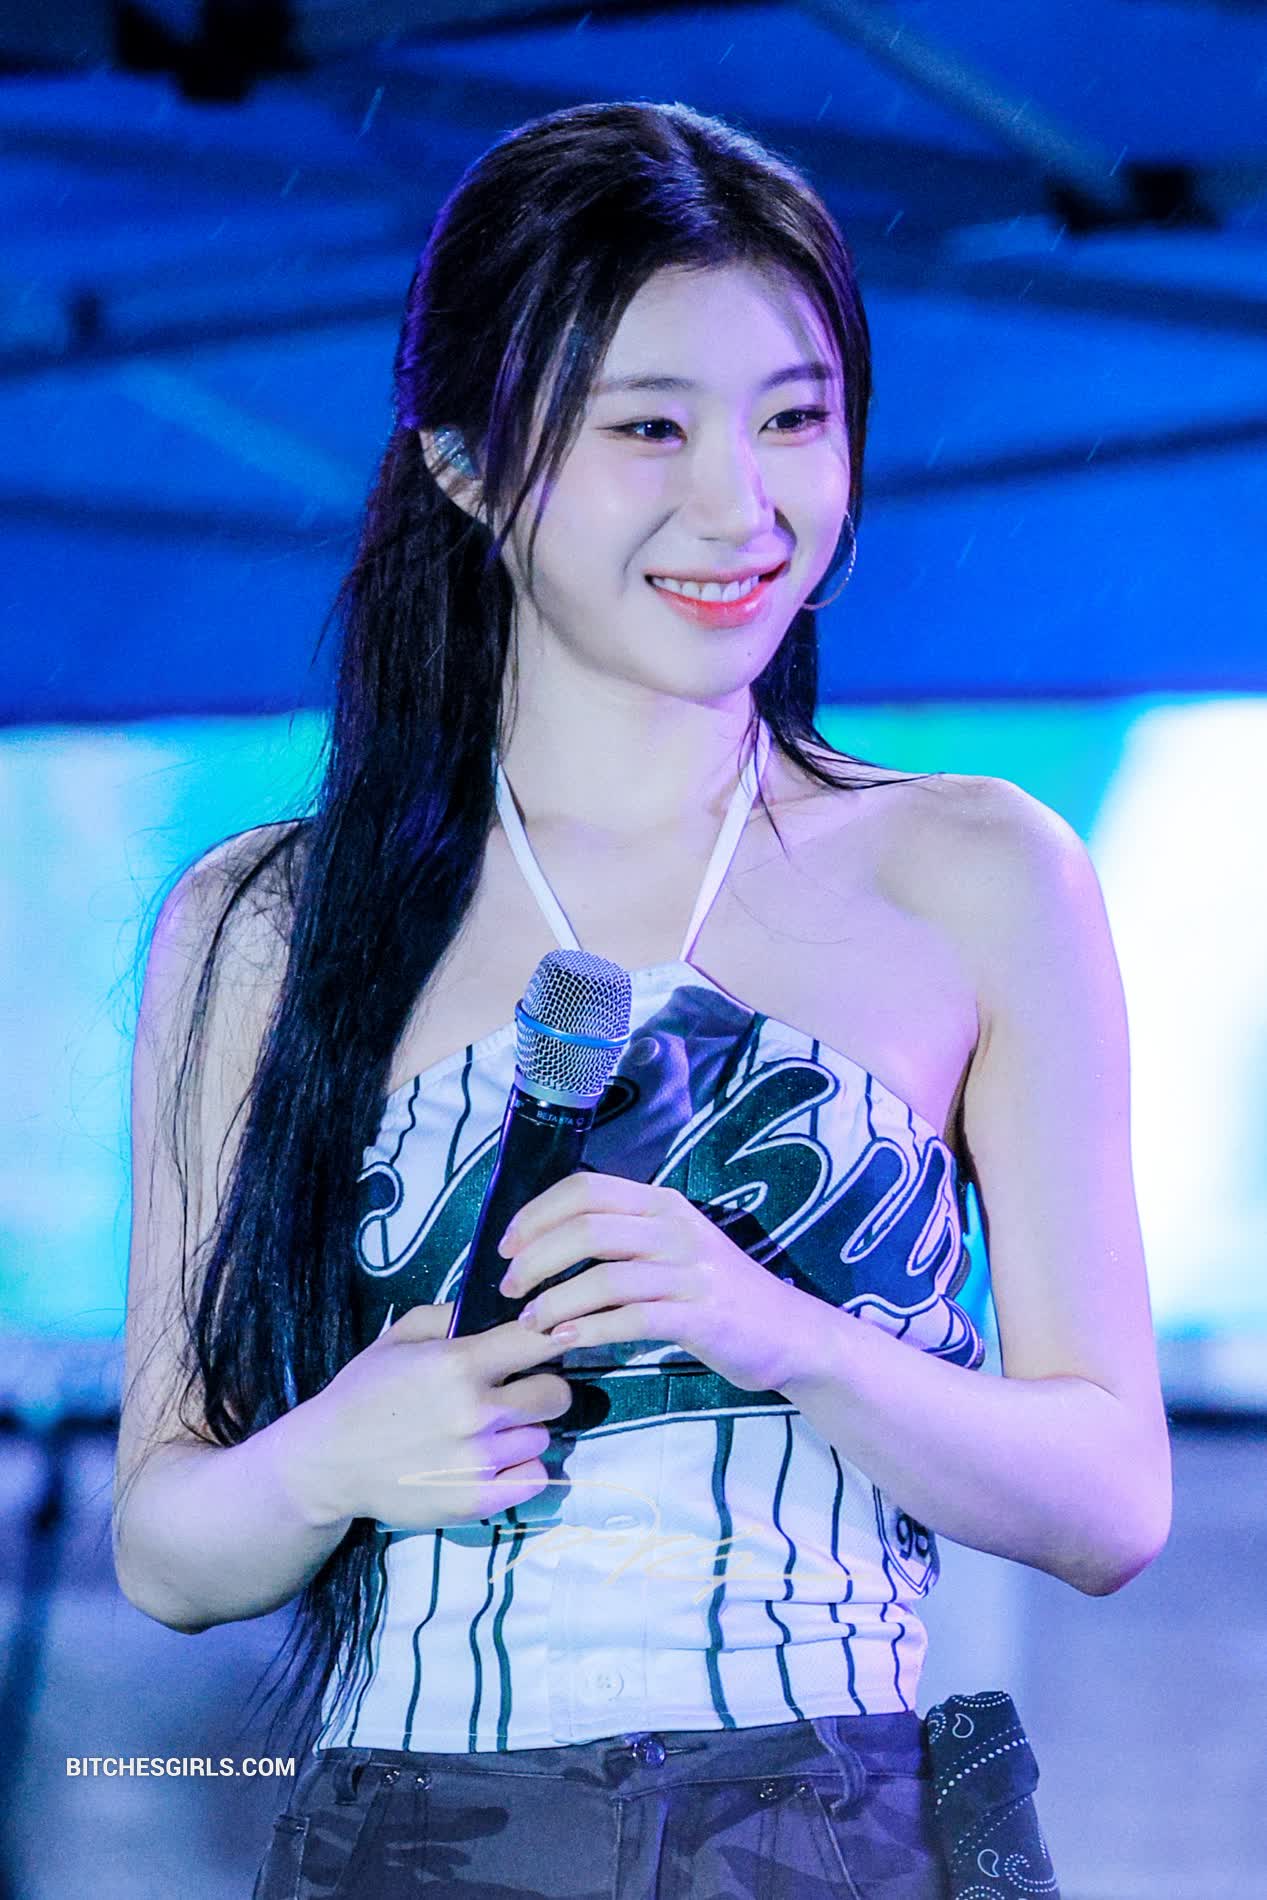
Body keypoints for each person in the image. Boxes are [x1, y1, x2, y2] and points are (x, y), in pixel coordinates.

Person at [112, 100, 1171, 1899]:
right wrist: (330, 1457)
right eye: (649, 428)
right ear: (464, 463)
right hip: (420, 1831)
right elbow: (165, 1543)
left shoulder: (979, 871)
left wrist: (788, 1336)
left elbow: (1113, 1499)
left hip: (831, 1829)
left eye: (794, 419)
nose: (739, 506)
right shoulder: (267, 922)